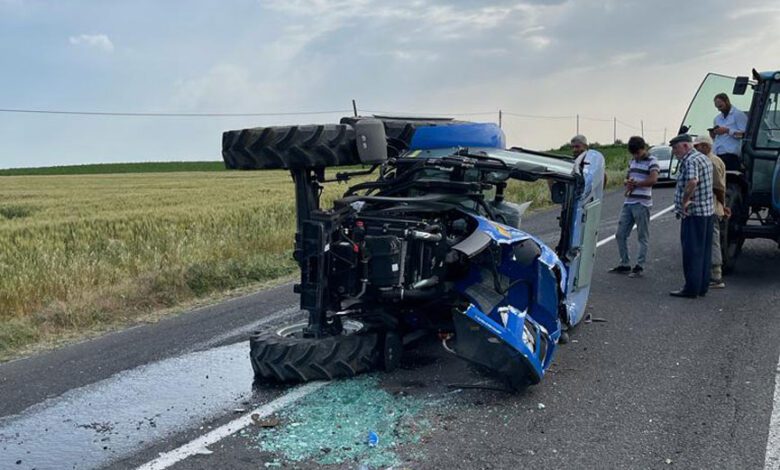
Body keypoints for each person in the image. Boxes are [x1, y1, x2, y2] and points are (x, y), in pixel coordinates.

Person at [669, 134, 714, 298]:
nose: (674, 152)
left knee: (692, 252)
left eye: (676, 148)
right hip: (707, 212)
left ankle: (691, 288)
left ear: (686, 146)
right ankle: (702, 286)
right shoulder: (704, 158)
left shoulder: (690, 161)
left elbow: (693, 181)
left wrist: (685, 201)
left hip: (693, 213)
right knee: (704, 251)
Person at [609, 136, 659, 277]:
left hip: (642, 203)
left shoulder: (652, 161)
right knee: (620, 234)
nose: (636, 156)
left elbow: (653, 179)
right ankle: (624, 263)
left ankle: (639, 266)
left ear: (644, 148)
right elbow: (627, 178)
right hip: (629, 201)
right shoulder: (632, 161)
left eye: (638, 153)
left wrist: (637, 184)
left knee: (642, 236)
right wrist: (628, 182)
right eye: (633, 153)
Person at [693, 134, 728, 289]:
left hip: (711, 207)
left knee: (712, 240)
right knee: (709, 239)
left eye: (698, 146)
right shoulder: (713, 160)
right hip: (711, 205)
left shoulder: (711, 162)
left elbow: (718, 187)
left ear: (706, 146)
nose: (696, 149)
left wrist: (722, 204)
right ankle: (709, 273)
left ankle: (716, 275)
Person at [711, 93, 747, 171]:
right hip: (717, 154)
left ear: (727, 102)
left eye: (720, 106)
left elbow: (744, 135)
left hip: (731, 156)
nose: (719, 109)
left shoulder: (738, 115)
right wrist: (713, 134)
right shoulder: (717, 119)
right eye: (717, 107)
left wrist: (727, 131)